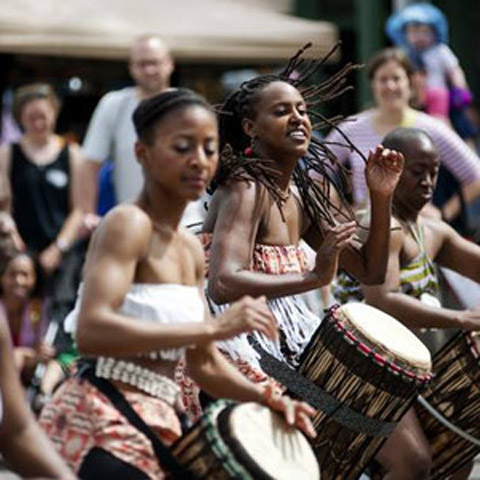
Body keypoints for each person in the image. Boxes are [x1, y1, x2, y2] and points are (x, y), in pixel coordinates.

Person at [39, 88, 316, 480]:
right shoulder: (127, 223)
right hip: (102, 417)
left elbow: (203, 362)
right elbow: (91, 331)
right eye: (183, 147)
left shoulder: (188, 248)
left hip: (163, 416)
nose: (199, 161)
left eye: (209, 148)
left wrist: (268, 397)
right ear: (142, 154)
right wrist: (214, 327)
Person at [199, 46, 404, 384]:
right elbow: (223, 283)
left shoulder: (306, 192)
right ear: (250, 127)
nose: (298, 119)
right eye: (281, 111)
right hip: (233, 339)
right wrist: (313, 278)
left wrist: (381, 196)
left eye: (303, 110)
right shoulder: (246, 187)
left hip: (282, 333)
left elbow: (371, 270)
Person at [333, 127, 480, 480]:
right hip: (363, 367)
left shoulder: (431, 230)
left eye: (435, 171)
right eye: (418, 172)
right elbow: (382, 300)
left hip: (409, 372)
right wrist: (462, 319)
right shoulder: (381, 226)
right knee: (413, 463)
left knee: (457, 448)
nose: (429, 181)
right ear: (394, 171)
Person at [324, 48, 480, 226]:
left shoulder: (431, 128)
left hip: (415, 229)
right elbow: (316, 172)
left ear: (409, 83)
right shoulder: (351, 128)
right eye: (383, 79)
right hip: (365, 228)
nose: (390, 86)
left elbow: (476, 176)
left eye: (396, 78)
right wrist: (339, 211)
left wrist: (444, 213)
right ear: (373, 84)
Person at [0, 247, 75, 479]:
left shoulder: (39, 310)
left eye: (26, 275)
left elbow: (18, 432)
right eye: (13, 274)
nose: (19, 282)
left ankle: (43, 398)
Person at [79, 34, 174, 214]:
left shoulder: (190, 105)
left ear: (169, 64)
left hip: (187, 221)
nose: (149, 70)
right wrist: (86, 213)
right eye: (142, 64)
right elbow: (90, 163)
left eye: (155, 62)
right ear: (131, 67)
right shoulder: (114, 104)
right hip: (134, 219)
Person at [0, 82, 83, 284]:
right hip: (19, 250)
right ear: (20, 118)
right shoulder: (8, 153)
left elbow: (79, 209)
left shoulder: (72, 153)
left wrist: (58, 248)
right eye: (31, 118)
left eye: (43, 116)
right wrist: (9, 231)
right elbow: (3, 203)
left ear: (54, 113)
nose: (38, 123)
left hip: (60, 251)